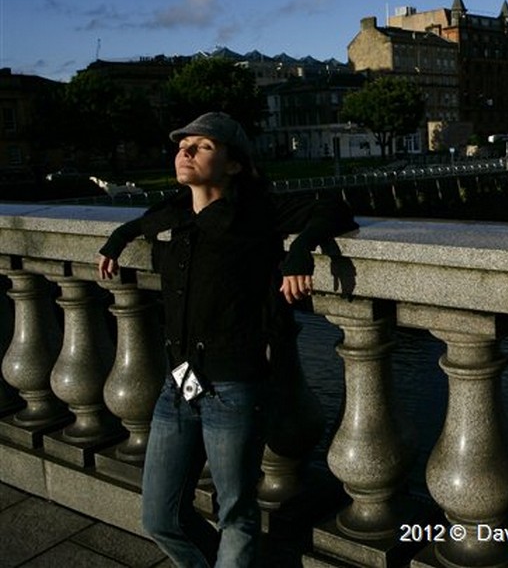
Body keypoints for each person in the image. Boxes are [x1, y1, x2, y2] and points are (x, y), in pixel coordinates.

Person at [98, 112, 357, 567]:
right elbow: (140, 223)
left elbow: (332, 208)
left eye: (202, 146)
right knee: (160, 517)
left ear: (235, 165)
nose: (185, 152)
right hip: (178, 384)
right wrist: (116, 240)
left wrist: (298, 252)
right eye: (183, 146)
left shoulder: (255, 214)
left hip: (232, 387)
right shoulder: (176, 214)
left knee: (234, 512)